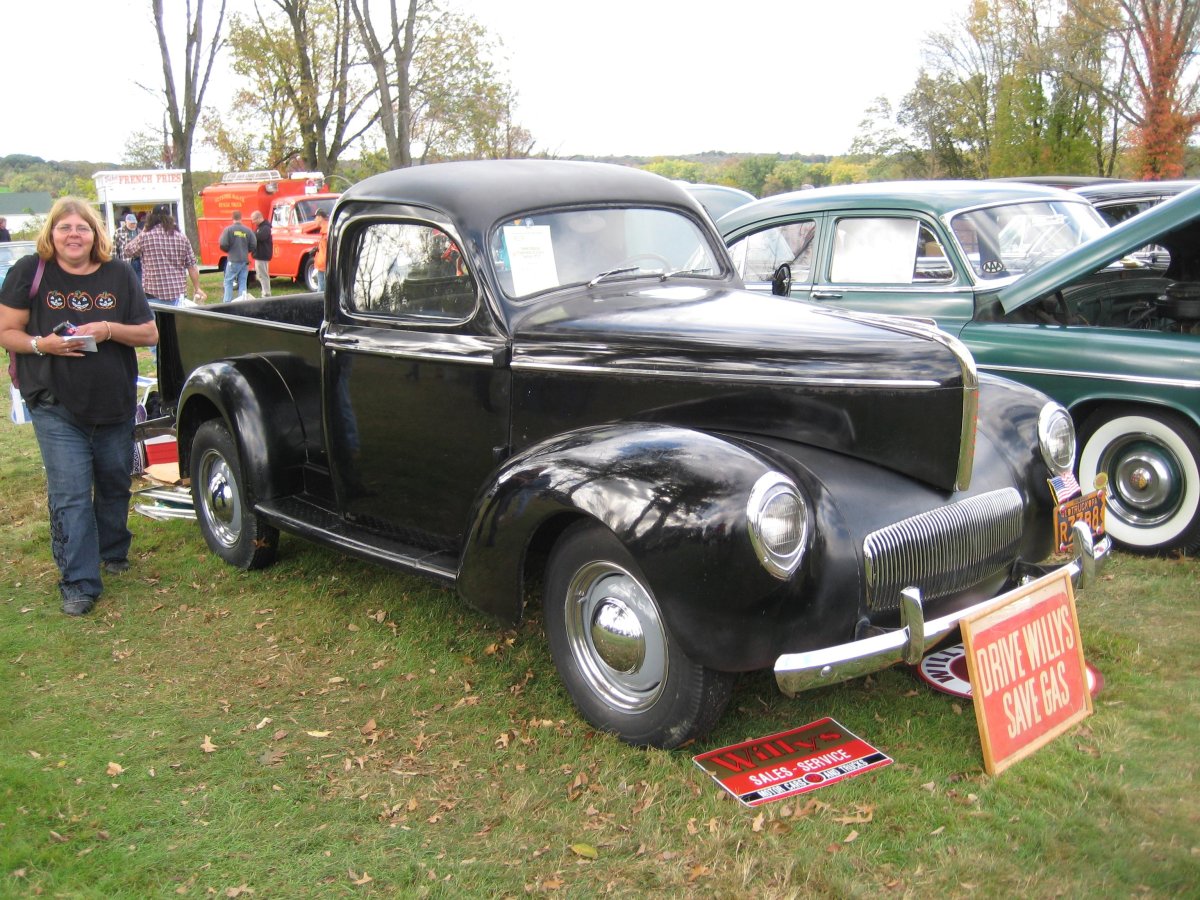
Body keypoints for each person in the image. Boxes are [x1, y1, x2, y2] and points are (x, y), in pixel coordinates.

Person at [0, 197, 159, 616]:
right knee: (70, 492)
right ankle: (79, 582)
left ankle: (113, 549)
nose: (74, 234)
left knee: (112, 483)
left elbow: (149, 333)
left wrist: (107, 329)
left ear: (96, 234)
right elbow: (7, 332)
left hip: (114, 402)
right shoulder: (30, 273)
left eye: (82, 227)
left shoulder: (119, 273)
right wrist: (42, 345)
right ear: (51, 233)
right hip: (55, 403)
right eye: (65, 227)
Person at [122, 205, 206, 305]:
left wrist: (143, 231)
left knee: (155, 320)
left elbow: (128, 251)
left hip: (152, 293)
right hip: (177, 294)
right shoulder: (182, 237)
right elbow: (192, 266)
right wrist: (197, 288)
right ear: (169, 218)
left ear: (151, 218)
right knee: (174, 320)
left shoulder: (146, 236)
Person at [219, 211, 256, 303]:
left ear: (232, 218)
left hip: (233, 260)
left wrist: (229, 250)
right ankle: (242, 302)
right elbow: (254, 244)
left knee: (228, 281)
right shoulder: (247, 230)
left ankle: (227, 302)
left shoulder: (228, 230)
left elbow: (223, 243)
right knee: (243, 281)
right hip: (244, 260)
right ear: (241, 218)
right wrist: (246, 251)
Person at [250, 210, 273, 298]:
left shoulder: (265, 228)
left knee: (263, 275)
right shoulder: (260, 227)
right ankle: (265, 291)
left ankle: (266, 293)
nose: (253, 222)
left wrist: (252, 234)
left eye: (254, 219)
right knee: (260, 275)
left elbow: (260, 237)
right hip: (259, 255)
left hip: (262, 255)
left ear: (259, 218)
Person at [113, 213, 141, 278]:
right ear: (126, 222)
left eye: (135, 223)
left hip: (138, 261)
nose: (133, 225)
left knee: (139, 282)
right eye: (131, 223)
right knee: (128, 280)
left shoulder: (139, 232)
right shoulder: (119, 232)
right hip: (126, 261)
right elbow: (114, 250)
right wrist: (115, 263)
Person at [313, 208, 329, 292]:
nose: (314, 220)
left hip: (324, 266)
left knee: (321, 292)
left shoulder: (326, 231)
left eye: (315, 217)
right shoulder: (324, 230)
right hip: (323, 266)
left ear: (320, 217)